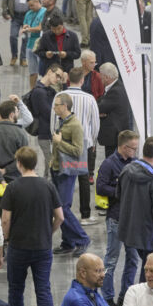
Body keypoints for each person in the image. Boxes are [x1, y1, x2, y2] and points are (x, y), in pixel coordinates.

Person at [1, 146, 64, 306]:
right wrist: (48, 232)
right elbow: (60, 217)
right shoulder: (48, 186)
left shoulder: (13, 187)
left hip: (18, 246)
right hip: (42, 247)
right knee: (43, 290)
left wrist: (6, 239)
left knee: (16, 290)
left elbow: (5, 220)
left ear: (19, 163)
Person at [115, 137, 153, 297]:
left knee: (141, 266)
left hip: (130, 231)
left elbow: (118, 195)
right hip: (151, 235)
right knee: (152, 271)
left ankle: (128, 298)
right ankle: (145, 302)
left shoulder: (126, 170)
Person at [96, 130, 139, 306]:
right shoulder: (109, 164)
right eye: (133, 148)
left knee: (133, 259)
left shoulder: (135, 163)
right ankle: (107, 299)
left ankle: (125, 296)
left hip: (133, 220)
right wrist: (121, 191)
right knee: (111, 260)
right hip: (116, 218)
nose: (135, 151)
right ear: (123, 147)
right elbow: (100, 187)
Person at [53, 66, 100, 225]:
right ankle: (85, 215)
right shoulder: (90, 98)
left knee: (63, 178)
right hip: (84, 145)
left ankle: (60, 213)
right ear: (82, 80)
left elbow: (53, 120)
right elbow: (95, 123)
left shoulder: (59, 97)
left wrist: (56, 140)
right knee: (84, 179)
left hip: (62, 144)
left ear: (68, 79)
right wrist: (93, 141)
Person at [50, 93, 91, 257]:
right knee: (58, 207)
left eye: (56, 105)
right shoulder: (61, 121)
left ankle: (82, 238)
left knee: (63, 207)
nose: (54, 108)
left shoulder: (75, 125)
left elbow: (78, 151)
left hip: (66, 171)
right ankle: (68, 242)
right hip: (56, 168)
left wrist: (59, 143)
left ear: (64, 106)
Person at [0, 98, 32, 195]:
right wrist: (6, 170)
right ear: (11, 115)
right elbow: (23, 158)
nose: (18, 114)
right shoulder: (20, 134)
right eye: (17, 112)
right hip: (15, 181)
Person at [3, 0, 40, 67]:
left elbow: (38, 1)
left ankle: (23, 58)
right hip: (15, 16)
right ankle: (14, 56)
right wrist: (5, 11)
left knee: (26, 38)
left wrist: (38, 14)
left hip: (28, 17)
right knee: (13, 36)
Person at [29, 64, 62, 173]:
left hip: (49, 133)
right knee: (52, 165)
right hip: (45, 134)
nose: (58, 79)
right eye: (57, 75)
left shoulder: (48, 90)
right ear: (49, 72)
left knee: (50, 166)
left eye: (60, 77)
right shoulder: (39, 91)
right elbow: (49, 113)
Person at [97, 63, 131, 158]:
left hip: (114, 136)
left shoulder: (115, 91)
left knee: (112, 161)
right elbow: (102, 103)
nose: (100, 78)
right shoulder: (118, 86)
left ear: (107, 77)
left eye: (101, 75)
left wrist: (99, 112)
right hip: (116, 135)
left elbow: (100, 108)